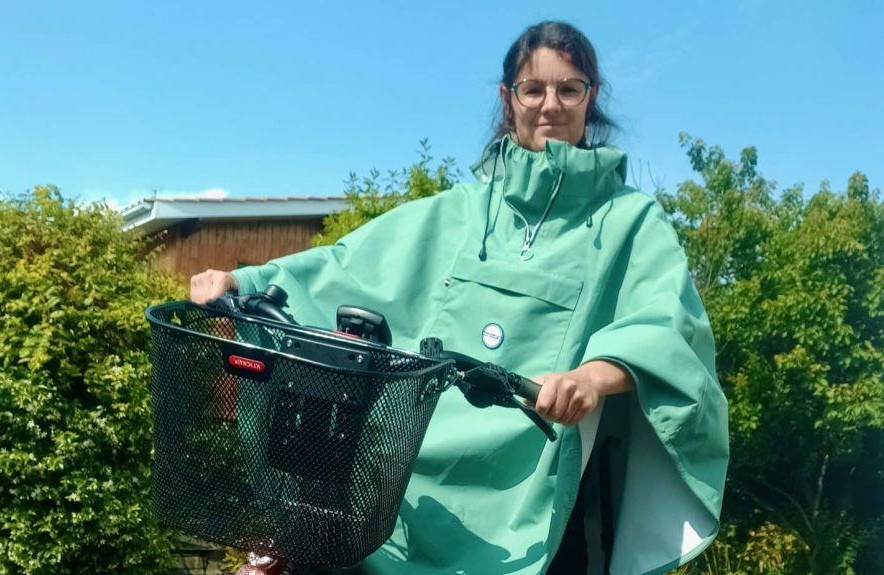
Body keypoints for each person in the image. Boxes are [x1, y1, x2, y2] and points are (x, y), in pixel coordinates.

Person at [190, 21, 728, 575]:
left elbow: (666, 326)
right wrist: (246, 281)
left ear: (591, 97)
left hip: (534, 485)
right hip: (405, 470)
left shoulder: (628, 220)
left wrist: (591, 377)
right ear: (507, 97)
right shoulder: (460, 211)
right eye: (533, 89)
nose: (551, 104)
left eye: (570, 88)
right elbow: (346, 264)